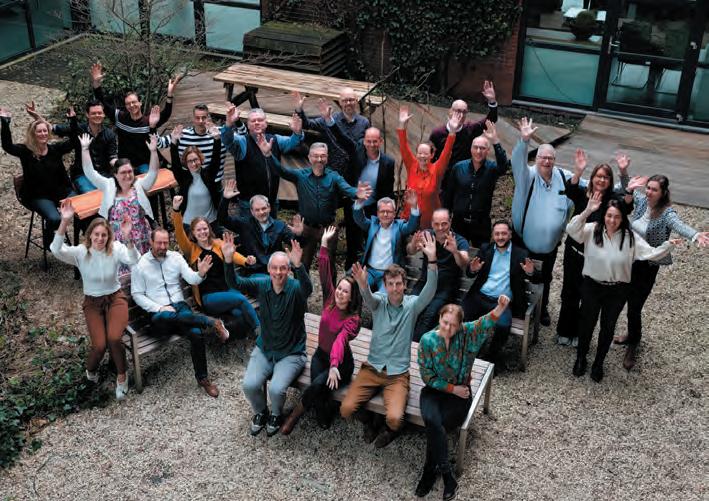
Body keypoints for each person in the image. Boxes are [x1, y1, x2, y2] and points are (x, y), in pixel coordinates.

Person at [566, 193, 680, 383]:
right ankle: (581, 358)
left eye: (617, 217)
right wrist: (587, 210)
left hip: (616, 291)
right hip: (592, 287)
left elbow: (650, 253)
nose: (612, 220)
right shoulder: (592, 230)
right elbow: (571, 229)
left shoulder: (630, 238)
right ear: (604, 215)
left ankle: (598, 363)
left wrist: (668, 246)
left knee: (608, 327)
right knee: (586, 324)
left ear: (622, 218)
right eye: (609, 215)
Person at [340, 232, 438, 448]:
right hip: (372, 368)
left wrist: (432, 260)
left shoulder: (412, 306)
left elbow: (430, 291)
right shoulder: (379, 302)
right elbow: (368, 298)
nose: (394, 288)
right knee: (346, 409)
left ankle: (390, 430)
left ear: (405, 285)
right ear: (385, 285)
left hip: (398, 374)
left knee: (394, 419)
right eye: (390, 284)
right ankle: (370, 423)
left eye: (398, 284)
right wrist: (363, 284)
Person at [415, 297, 510, 500]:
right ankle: (447, 475)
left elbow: (486, 322)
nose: (448, 328)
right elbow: (427, 376)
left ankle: (429, 472)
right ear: (439, 318)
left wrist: (501, 307)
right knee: (433, 421)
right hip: (435, 391)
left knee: (436, 426)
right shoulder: (427, 341)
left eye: (453, 324)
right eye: (445, 322)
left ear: (459, 325)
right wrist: (452, 388)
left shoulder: (467, 333)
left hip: (460, 396)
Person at [222, 235, 312, 437]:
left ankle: (276, 414)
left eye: (283, 268)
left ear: (288, 270)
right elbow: (236, 283)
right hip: (265, 348)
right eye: (275, 268)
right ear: (269, 269)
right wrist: (228, 260)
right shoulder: (262, 285)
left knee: (276, 389)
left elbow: (308, 289)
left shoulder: (295, 289)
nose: (278, 272)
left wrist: (299, 266)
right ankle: (261, 412)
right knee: (249, 385)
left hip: (291, 353)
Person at [51, 200, 139, 400]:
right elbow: (56, 250)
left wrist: (128, 239)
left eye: (104, 235)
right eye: (96, 234)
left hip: (115, 298)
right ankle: (91, 371)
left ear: (108, 237)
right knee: (99, 345)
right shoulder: (81, 252)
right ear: (90, 235)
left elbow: (134, 259)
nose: (100, 238)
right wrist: (65, 221)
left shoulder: (115, 248)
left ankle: (122, 375)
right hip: (92, 303)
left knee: (114, 338)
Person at [280, 226, 362, 435]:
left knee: (317, 384)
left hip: (341, 364)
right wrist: (324, 244)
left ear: (352, 297)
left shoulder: (353, 319)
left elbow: (340, 341)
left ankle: (295, 415)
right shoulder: (329, 300)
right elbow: (325, 272)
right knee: (319, 387)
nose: (340, 293)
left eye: (345, 292)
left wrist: (334, 365)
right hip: (320, 356)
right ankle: (324, 411)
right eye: (340, 289)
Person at [621, 174, 709, 369]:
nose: (649, 192)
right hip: (628, 260)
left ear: (663, 193)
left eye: (654, 190)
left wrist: (695, 235)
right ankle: (631, 334)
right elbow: (627, 188)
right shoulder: (642, 201)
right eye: (648, 188)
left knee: (635, 306)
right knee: (624, 300)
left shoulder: (667, 213)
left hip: (647, 266)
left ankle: (633, 343)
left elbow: (679, 225)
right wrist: (623, 171)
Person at [131, 227, 230, 397]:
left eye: (166, 243)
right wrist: (159, 308)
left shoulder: (175, 258)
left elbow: (192, 278)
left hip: (181, 308)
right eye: (159, 243)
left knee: (196, 333)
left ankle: (203, 379)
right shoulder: (140, 265)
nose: (163, 246)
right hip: (160, 314)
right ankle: (210, 322)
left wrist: (200, 273)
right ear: (151, 242)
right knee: (165, 317)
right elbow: (137, 294)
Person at [555, 150, 631, 346]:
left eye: (606, 177)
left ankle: (579, 334)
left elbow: (627, 203)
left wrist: (624, 173)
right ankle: (564, 330)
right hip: (574, 252)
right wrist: (578, 170)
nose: (601, 180)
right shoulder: (583, 193)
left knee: (587, 296)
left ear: (610, 181)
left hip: (595, 257)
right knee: (569, 292)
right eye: (598, 176)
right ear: (593, 177)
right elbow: (570, 189)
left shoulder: (612, 200)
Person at [510, 117, 581, 326]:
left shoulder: (562, 176)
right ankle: (520, 307)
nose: (547, 162)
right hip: (524, 242)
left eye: (550, 158)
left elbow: (587, 185)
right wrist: (524, 141)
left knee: (545, 278)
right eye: (543, 157)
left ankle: (542, 309)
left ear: (555, 160)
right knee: (520, 275)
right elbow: (517, 162)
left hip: (550, 246)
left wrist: (621, 188)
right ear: (537, 158)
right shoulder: (527, 176)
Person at [265, 137, 372, 274]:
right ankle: (302, 287)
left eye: (322, 156)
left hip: (328, 228)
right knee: (302, 265)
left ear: (327, 158)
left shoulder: (334, 177)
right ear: (309, 158)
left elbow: (347, 189)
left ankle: (330, 288)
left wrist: (357, 193)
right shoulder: (300, 176)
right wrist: (268, 154)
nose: (319, 159)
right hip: (306, 228)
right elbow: (281, 171)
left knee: (328, 266)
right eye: (315, 156)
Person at [171, 195, 259, 337]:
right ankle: (261, 331)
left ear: (209, 229)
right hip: (209, 297)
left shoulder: (217, 243)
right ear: (193, 233)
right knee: (241, 299)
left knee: (238, 312)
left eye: (205, 228)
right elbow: (179, 232)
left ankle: (241, 336)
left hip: (226, 290)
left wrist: (246, 261)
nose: (202, 232)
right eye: (198, 230)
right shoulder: (191, 249)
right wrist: (176, 210)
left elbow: (232, 254)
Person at [461, 221, 536, 370]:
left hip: (502, 302)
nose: (500, 237)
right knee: (460, 316)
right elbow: (469, 273)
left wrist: (531, 272)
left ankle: (491, 357)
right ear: (493, 235)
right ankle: (468, 350)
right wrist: (473, 269)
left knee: (503, 325)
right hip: (479, 296)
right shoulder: (485, 249)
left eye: (504, 233)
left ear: (510, 234)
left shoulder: (521, 254)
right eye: (497, 234)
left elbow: (538, 278)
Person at [79, 133, 159, 272]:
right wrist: (85, 149)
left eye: (130, 171)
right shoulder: (108, 185)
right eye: (123, 172)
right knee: (122, 273)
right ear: (115, 174)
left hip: (141, 235)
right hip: (117, 239)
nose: (128, 175)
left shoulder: (139, 185)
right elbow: (90, 172)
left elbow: (153, 172)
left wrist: (153, 151)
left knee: (144, 269)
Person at [0, 107, 75, 248]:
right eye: (39, 131)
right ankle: (50, 239)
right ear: (33, 134)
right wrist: (4, 122)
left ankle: (85, 242)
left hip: (59, 192)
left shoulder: (55, 149)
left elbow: (74, 141)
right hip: (38, 196)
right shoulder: (26, 151)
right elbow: (7, 146)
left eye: (45, 131)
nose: (43, 134)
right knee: (54, 218)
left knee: (82, 208)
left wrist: (72, 121)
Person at [326, 122, 395, 268]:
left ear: (381, 141)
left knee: (373, 241)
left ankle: (370, 271)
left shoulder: (388, 162)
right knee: (352, 242)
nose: (371, 145)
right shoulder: (356, 153)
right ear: (364, 142)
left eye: (375, 141)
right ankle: (349, 273)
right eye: (368, 141)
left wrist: (388, 210)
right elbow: (342, 139)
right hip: (354, 204)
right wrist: (329, 121)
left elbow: (388, 190)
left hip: (374, 208)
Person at [90, 62, 180, 173]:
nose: (131, 105)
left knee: (148, 175)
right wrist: (96, 83)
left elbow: (166, 114)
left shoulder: (149, 121)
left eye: (134, 102)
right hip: (126, 164)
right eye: (128, 104)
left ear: (140, 103)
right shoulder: (120, 117)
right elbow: (102, 102)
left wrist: (170, 95)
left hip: (145, 164)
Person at [220, 106, 304, 216]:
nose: (256, 123)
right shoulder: (242, 141)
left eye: (260, 120)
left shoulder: (275, 140)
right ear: (248, 125)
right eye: (253, 121)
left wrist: (297, 133)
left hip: (271, 202)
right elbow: (228, 140)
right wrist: (229, 124)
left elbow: (293, 143)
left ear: (266, 123)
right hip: (249, 205)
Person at [26, 99, 118, 194]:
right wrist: (36, 116)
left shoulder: (109, 134)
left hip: (103, 173)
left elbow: (112, 157)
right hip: (82, 174)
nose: (97, 115)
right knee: (91, 194)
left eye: (99, 113)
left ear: (103, 114)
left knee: (115, 192)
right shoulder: (77, 129)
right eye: (93, 113)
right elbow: (51, 128)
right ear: (87, 115)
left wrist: (121, 165)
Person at [406, 209, 470, 341]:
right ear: (432, 224)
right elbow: (410, 251)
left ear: (450, 222)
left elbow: (464, 262)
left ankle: (415, 345)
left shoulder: (459, 240)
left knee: (428, 316)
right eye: (436, 224)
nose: (440, 228)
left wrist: (455, 251)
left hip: (445, 288)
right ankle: (402, 340)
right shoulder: (427, 235)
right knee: (409, 308)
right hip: (425, 283)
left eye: (444, 224)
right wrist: (413, 244)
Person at [443, 120, 508, 247]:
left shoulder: (492, 169)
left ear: (487, 151)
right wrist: (446, 217)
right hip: (459, 223)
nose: (478, 151)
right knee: (457, 252)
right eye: (476, 147)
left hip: (481, 223)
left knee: (481, 254)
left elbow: (504, 166)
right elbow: (449, 194)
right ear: (471, 149)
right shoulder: (458, 167)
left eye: (482, 148)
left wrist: (495, 141)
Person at [218, 181, 303, 276]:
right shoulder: (244, 224)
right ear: (252, 211)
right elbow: (222, 220)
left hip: (275, 270)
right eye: (257, 210)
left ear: (269, 207)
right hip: (253, 271)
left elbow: (297, 244)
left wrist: (299, 234)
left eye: (263, 208)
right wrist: (225, 199)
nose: (261, 212)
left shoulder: (280, 225)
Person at [397, 105, 459, 229]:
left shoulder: (437, 169)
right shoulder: (411, 165)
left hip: (429, 222)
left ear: (432, 155)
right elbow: (403, 146)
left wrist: (452, 131)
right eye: (419, 153)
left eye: (425, 154)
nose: (422, 156)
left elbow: (446, 152)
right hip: (408, 219)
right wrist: (402, 125)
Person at [354, 191, 420, 291]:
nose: (385, 214)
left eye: (389, 211)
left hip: (390, 274)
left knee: (383, 296)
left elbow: (411, 226)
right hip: (370, 271)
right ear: (377, 213)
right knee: (356, 287)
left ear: (394, 214)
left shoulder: (399, 227)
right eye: (382, 211)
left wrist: (414, 206)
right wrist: (359, 202)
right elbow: (359, 219)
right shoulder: (373, 224)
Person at [294, 88, 370, 175]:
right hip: (333, 170)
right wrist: (299, 110)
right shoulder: (329, 118)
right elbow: (307, 124)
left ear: (356, 101)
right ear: (340, 102)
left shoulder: (364, 122)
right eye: (345, 100)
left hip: (355, 171)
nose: (348, 103)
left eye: (351, 100)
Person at [429, 81, 499, 167]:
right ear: (450, 112)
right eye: (458, 111)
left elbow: (491, 119)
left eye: (464, 112)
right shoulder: (437, 133)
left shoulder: (470, 129)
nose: (461, 115)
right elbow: (431, 158)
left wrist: (492, 101)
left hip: (463, 173)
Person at [168, 124, 222, 232]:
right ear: (186, 163)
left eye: (195, 160)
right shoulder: (183, 177)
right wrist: (174, 142)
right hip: (189, 224)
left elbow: (216, 159)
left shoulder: (208, 174)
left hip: (211, 222)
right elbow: (175, 164)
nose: (193, 164)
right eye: (190, 161)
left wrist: (217, 139)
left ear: (200, 159)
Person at [158, 103, 228, 183]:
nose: (201, 121)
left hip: (214, 181)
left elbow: (237, 142)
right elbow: (159, 143)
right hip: (190, 181)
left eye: (204, 118)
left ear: (208, 118)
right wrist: (153, 125)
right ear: (193, 118)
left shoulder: (220, 132)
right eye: (197, 118)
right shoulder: (182, 134)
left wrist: (230, 124)